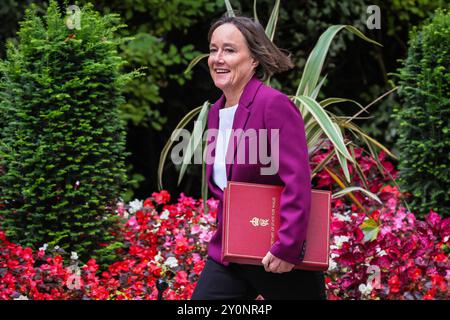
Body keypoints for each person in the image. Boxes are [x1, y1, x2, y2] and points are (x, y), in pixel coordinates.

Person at [190, 14, 326, 300]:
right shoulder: (216, 111)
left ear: (254, 59)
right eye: (213, 49)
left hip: (277, 257)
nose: (217, 58)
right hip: (230, 254)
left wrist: (288, 247)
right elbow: (227, 186)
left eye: (229, 50)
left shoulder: (273, 105)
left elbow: (297, 181)